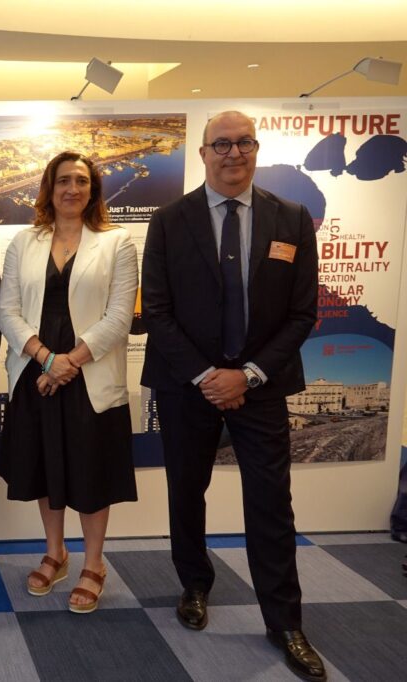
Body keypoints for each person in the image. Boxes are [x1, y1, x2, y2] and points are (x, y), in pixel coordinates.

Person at [141, 111, 325, 681]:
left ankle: (285, 622)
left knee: (271, 502)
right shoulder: (169, 221)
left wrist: (246, 375)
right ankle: (194, 585)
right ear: (203, 153)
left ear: (256, 149)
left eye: (244, 142)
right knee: (185, 492)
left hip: (261, 386)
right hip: (185, 383)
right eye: (221, 144)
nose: (233, 153)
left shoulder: (292, 218)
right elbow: (158, 311)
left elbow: (302, 315)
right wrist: (207, 376)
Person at [0, 151, 137, 612]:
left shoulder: (117, 243)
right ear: (49, 188)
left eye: (81, 181)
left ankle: (94, 564)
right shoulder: (24, 242)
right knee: (45, 467)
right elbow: (7, 312)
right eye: (63, 181)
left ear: (92, 189)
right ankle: (55, 553)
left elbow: (120, 317)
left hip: (89, 374)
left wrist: (68, 362)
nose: (72, 189)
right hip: (36, 373)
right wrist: (46, 359)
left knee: (92, 472)